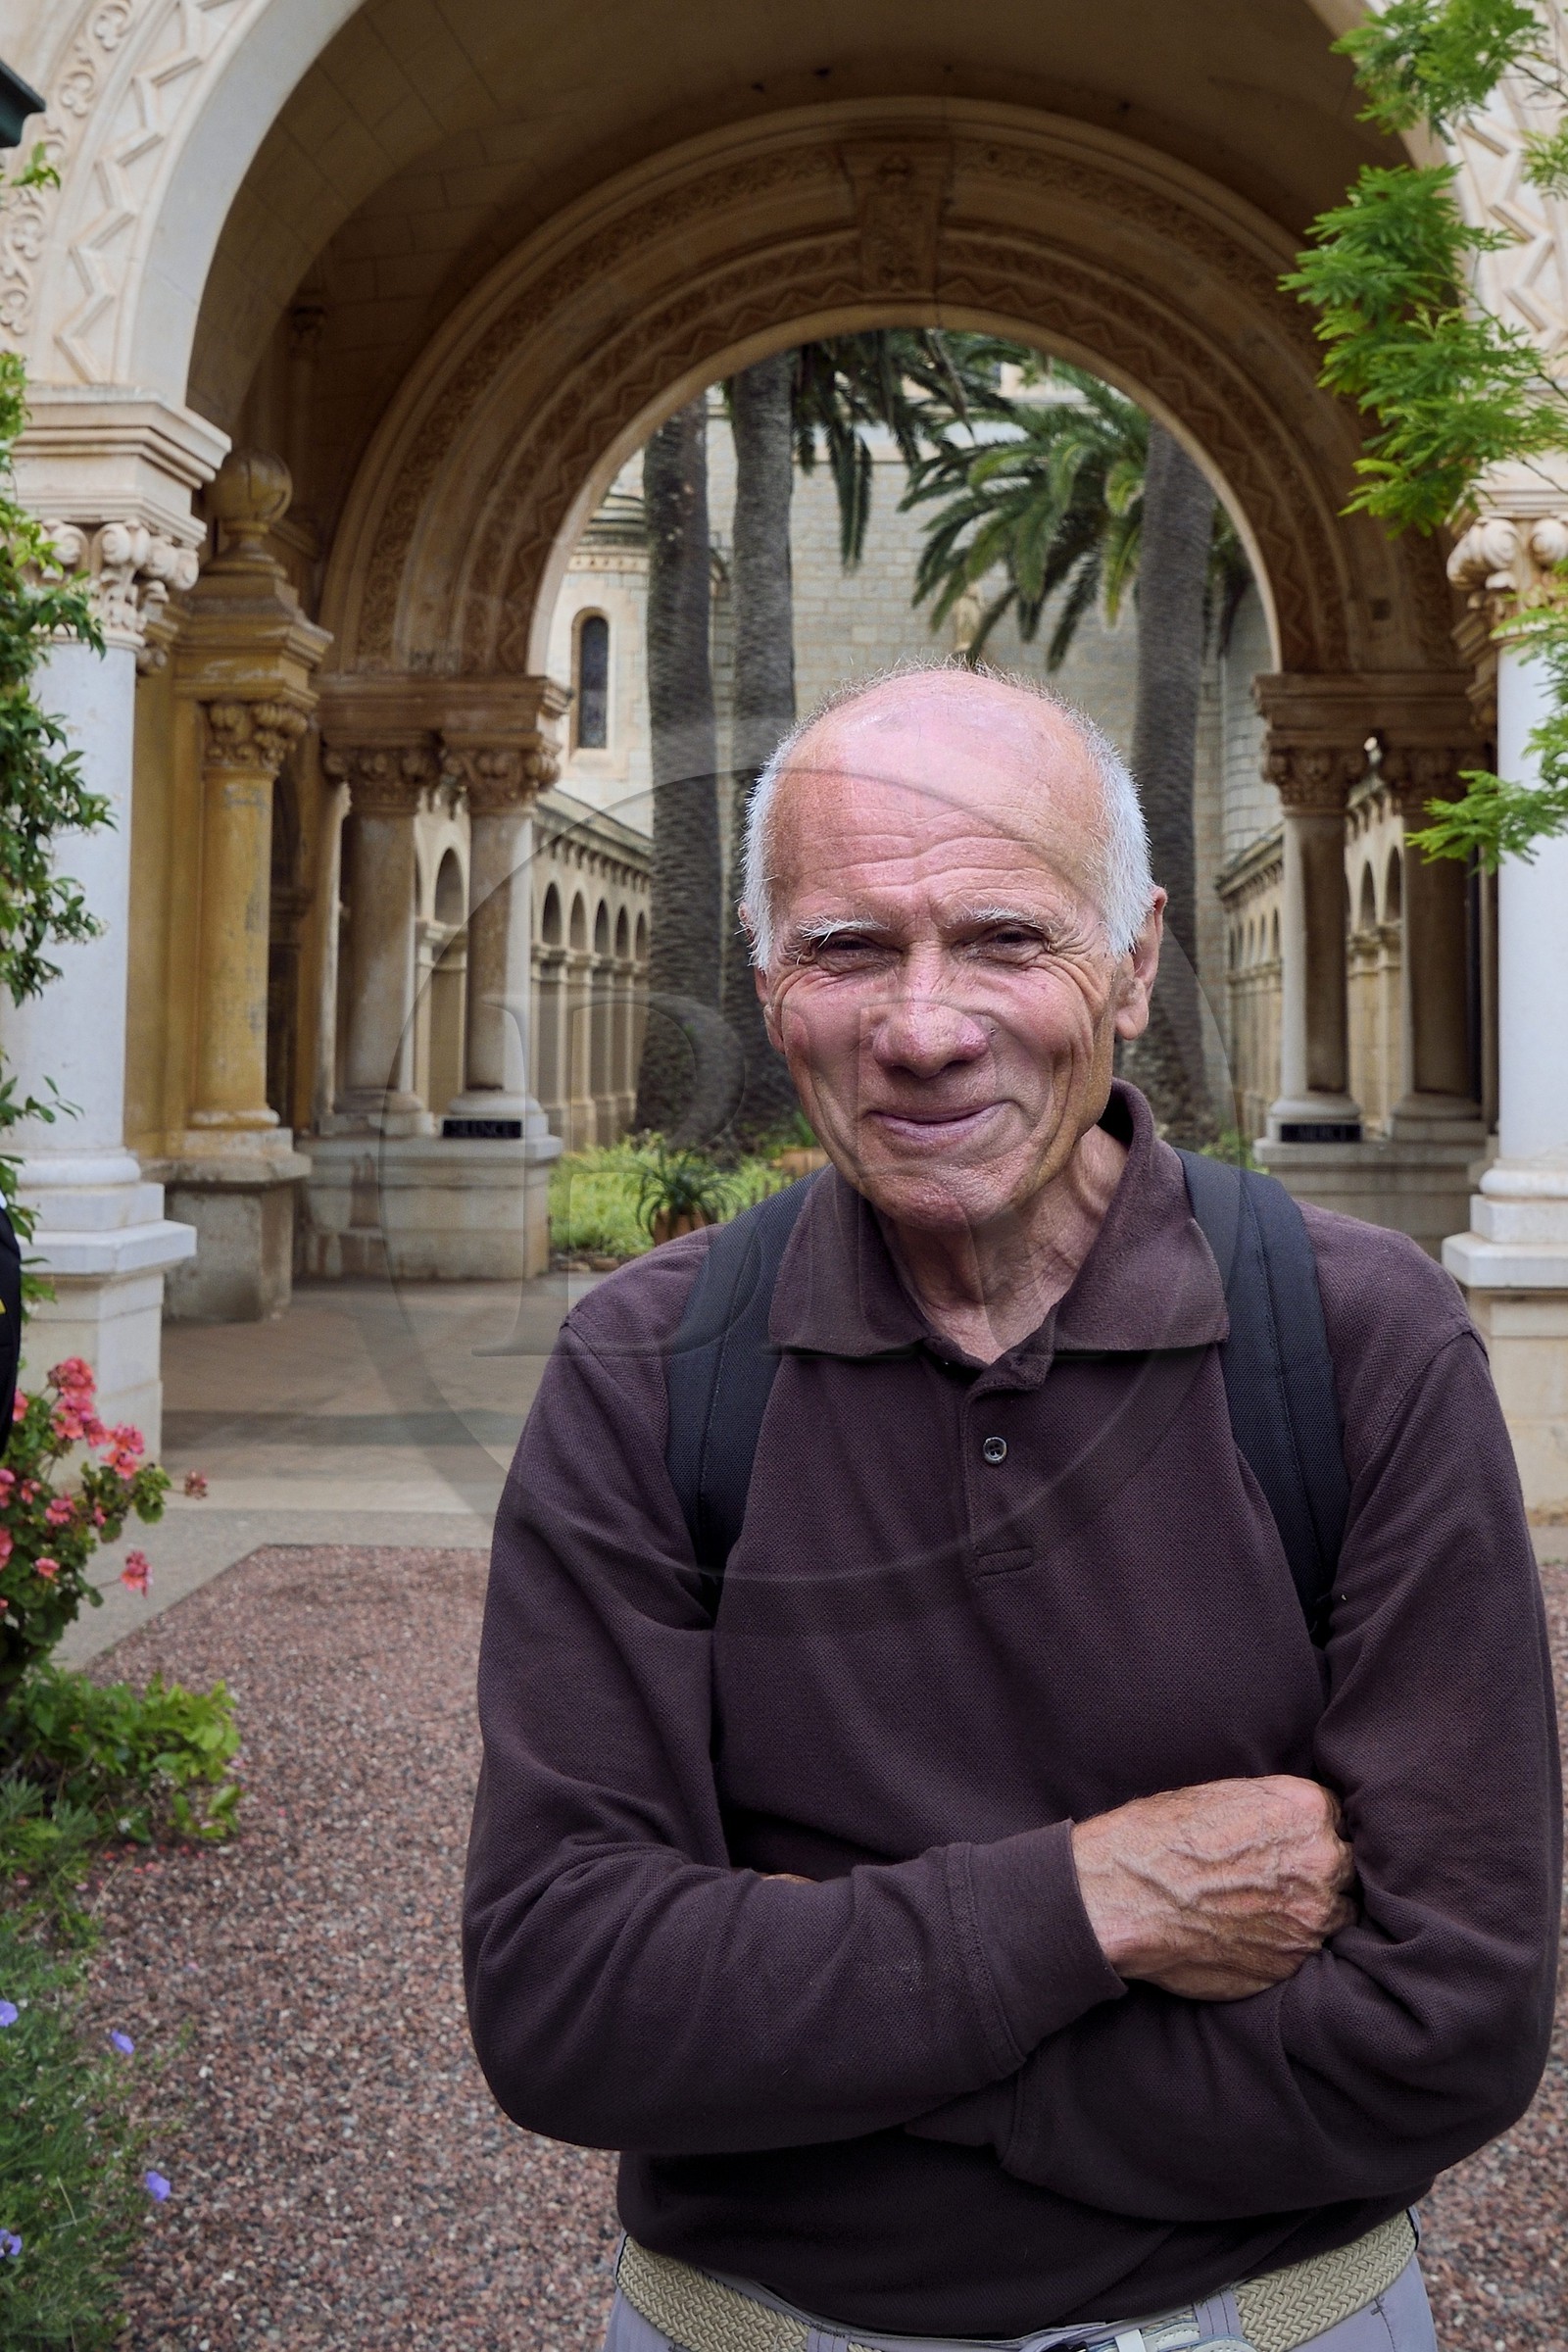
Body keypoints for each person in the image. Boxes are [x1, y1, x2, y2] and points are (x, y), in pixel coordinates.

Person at [464, 665, 1559, 2352]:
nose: (921, 1025)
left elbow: (1454, 2013)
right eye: (847, 948)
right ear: (767, 986)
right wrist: (1097, 1904)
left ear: (1132, 967)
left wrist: (857, 2067)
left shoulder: (1353, 1342)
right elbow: (566, 1998)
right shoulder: (650, 1368)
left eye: (1002, 937)